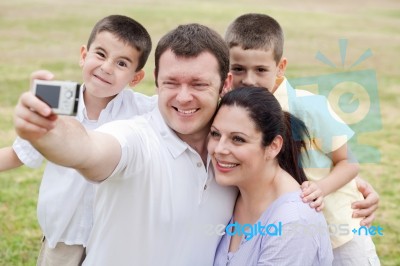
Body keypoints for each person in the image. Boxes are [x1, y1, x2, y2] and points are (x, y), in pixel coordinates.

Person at [14, 23, 238, 266]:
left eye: (198, 84)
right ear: (156, 80)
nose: (183, 97)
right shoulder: (136, 136)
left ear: (226, 83)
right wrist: (49, 132)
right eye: (171, 83)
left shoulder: (235, 151)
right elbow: (89, 149)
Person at [224, 13, 380, 265]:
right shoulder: (229, 110)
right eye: (238, 68)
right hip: (286, 231)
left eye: (261, 70)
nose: (249, 79)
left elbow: (349, 162)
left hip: (340, 231)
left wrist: (322, 187)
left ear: (280, 67)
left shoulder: (309, 107)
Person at [3, 14, 156, 265]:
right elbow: (18, 153)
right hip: (63, 236)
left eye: (122, 63)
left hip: (114, 239)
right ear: (83, 55)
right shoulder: (57, 100)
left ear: (136, 78)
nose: (107, 67)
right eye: (100, 54)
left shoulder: (142, 110)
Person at [210, 86, 333, 265]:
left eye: (238, 139)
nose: (219, 149)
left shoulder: (292, 223)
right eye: (215, 134)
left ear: (274, 146)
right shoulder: (233, 191)